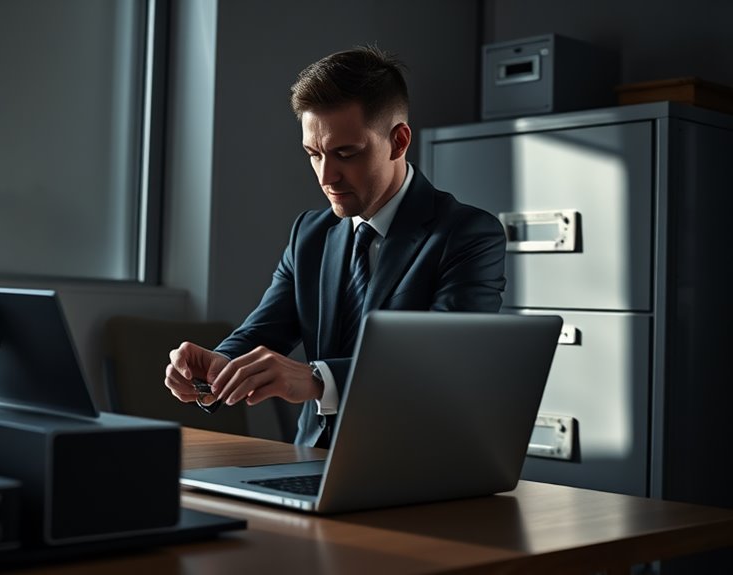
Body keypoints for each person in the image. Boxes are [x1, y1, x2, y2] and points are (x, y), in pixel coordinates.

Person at [165, 46, 506, 447]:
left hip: (413, 468)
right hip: (309, 461)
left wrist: (315, 377)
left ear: (398, 141)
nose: (327, 176)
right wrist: (218, 365)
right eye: (314, 154)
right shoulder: (310, 233)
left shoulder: (468, 234)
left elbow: (443, 366)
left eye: (346, 153)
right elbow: (263, 330)